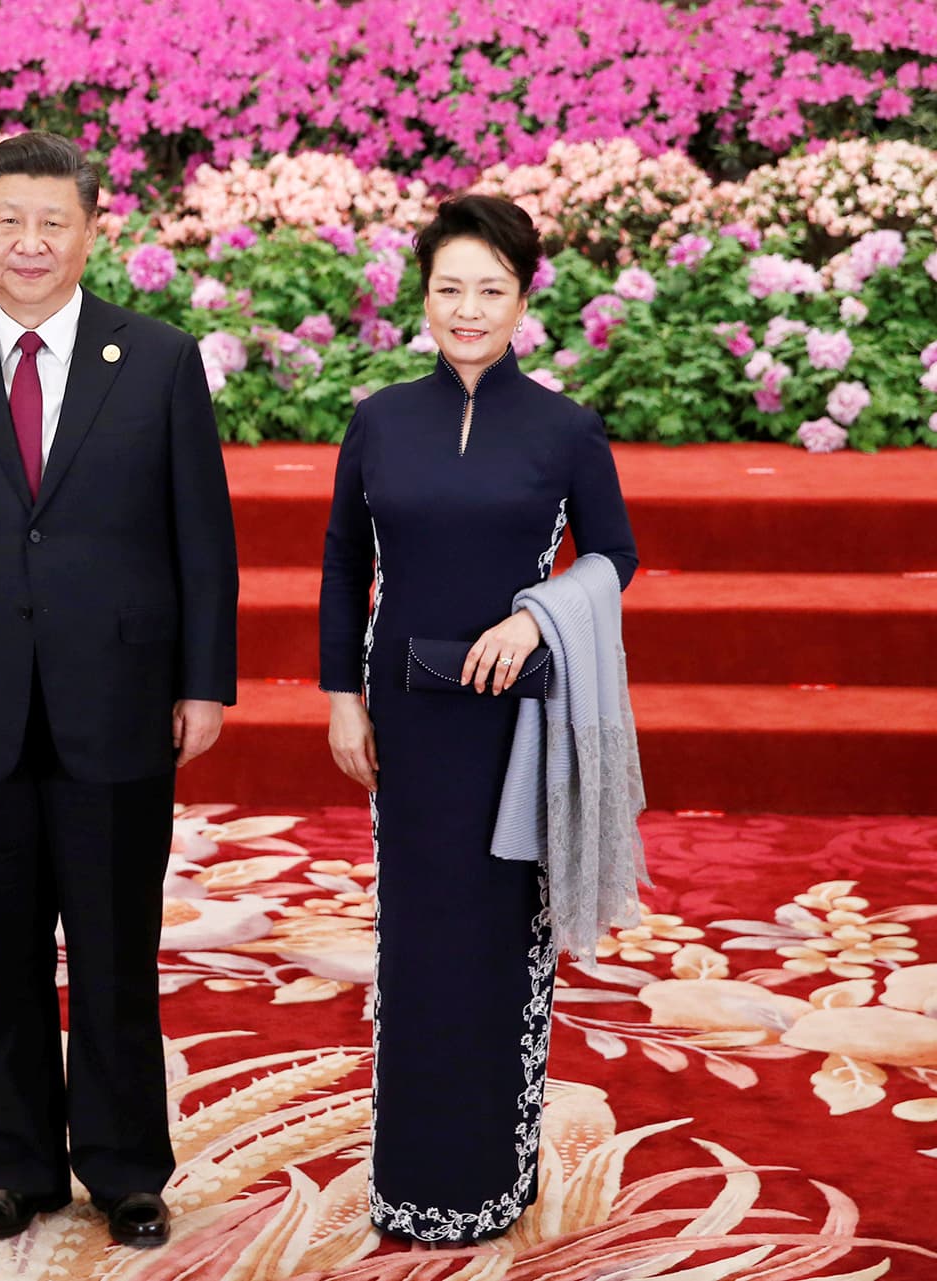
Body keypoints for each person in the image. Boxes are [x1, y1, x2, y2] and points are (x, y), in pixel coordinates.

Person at [0, 131, 239, 1249]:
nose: (30, 243)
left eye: (53, 222)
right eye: (9, 221)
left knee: (119, 945)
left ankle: (126, 1168)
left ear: (93, 230)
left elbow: (202, 537)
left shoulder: (161, 359)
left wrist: (204, 681)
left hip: (119, 696)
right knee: (2, 946)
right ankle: (16, 1168)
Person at [319, 194, 638, 1244]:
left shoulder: (561, 425)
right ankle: (411, 1180)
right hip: (409, 720)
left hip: (517, 728)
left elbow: (613, 555)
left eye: (489, 290)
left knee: (501, 938)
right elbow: (342, 564)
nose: (467, 309)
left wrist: (542, 620)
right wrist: (338, 697)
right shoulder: (380, 418)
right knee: (418, 940)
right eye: (449, 288)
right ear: (423, 297)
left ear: (522, 297)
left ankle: (491, 1181)